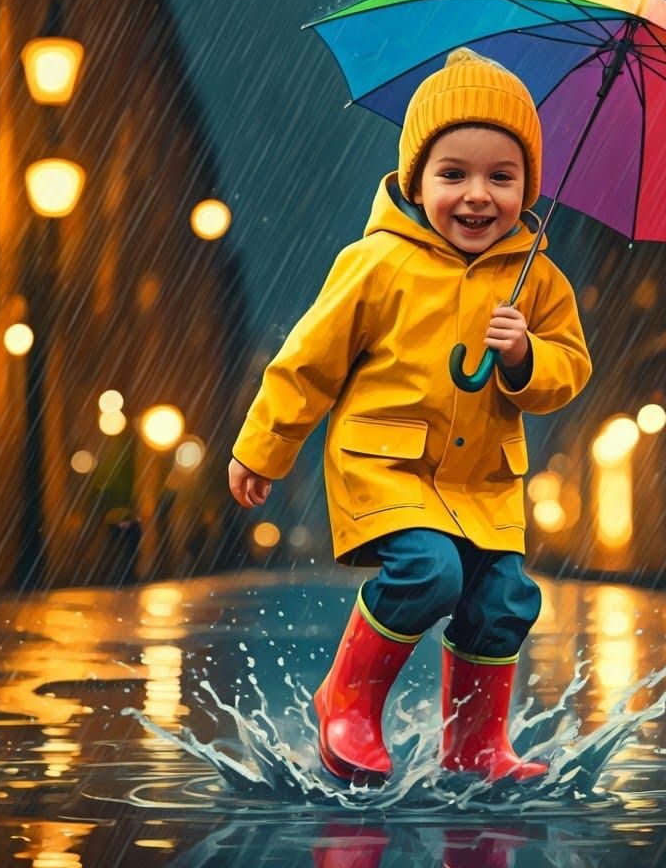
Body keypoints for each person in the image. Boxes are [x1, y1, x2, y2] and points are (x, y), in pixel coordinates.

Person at [228, 48, 591, 784]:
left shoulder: (537, 279)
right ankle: (348, 700)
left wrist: (526, 357)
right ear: (415, 178)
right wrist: (264, 448)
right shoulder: (378, 263)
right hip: (386, 463)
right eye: (452, 174)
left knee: (504, 598)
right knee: (429, 573)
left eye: (502, 176)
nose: (477, 196)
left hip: (482, 481)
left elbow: (569, 372)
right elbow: (309, 362)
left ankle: (474, 747)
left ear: (530, 185)